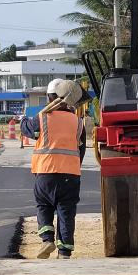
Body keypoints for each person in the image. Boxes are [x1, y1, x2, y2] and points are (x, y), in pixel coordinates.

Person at [28, 76, 90, 258]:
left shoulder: (42, 118)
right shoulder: (78, 123)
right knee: (66, 212)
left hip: (45, 172)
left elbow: (27, 129)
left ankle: (47, 240)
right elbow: (81, 150)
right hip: (70, 174)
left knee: (44, 206)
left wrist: (27, 121)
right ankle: (64, 252)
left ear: (49, 98)